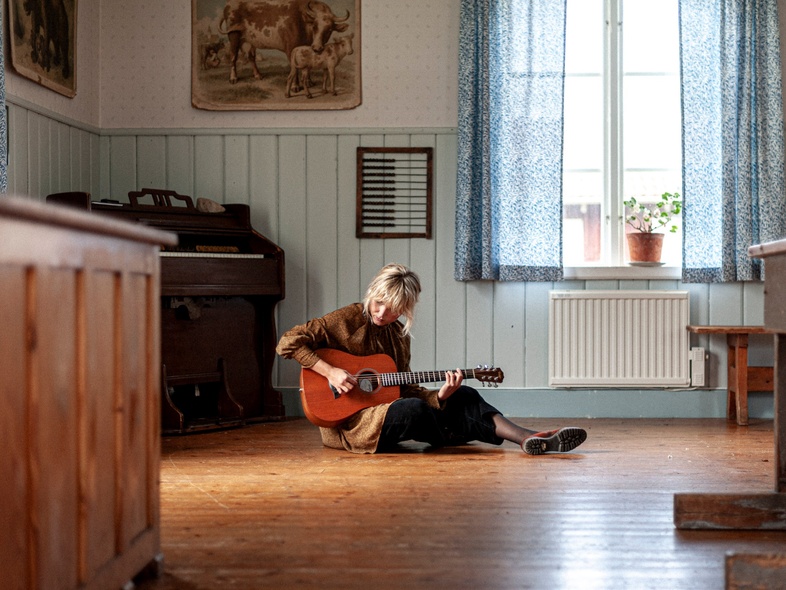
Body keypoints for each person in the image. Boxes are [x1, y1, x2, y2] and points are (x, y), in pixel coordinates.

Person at [276, 263, 587, 455]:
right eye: (380, 303)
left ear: (407, 309)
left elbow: (403, 387)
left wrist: (440, 395)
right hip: (353, 426)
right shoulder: (344, 320)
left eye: (394, 309)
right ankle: (458, 430)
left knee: (463, 394)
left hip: (390, 410)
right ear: (373, 293)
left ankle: (528, 438)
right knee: (413, 411)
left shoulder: (398, 336)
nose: (383, 313)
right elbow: (288, 343)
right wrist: (329, 371)